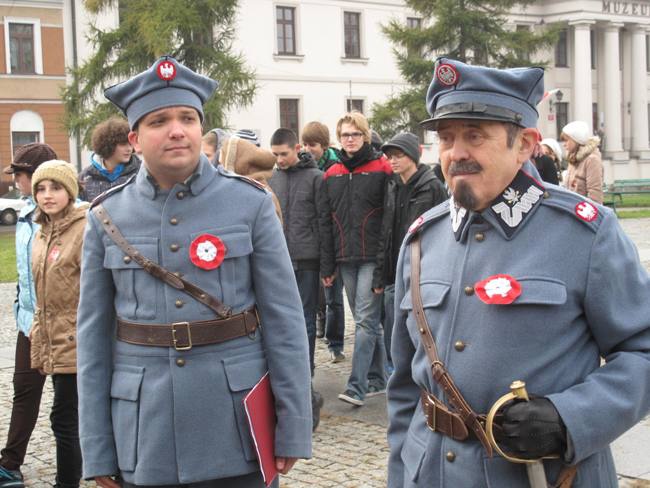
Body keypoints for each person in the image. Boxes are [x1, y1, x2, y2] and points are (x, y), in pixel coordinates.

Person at [387, 57, 650, 487]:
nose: (457, 153)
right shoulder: (421, 238)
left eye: (475, 136)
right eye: (447, 137)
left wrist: (570, 418)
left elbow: (643, 350)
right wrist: (400, 475)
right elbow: (404, 385)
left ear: (525, 144)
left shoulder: (586, 234)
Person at [76, 56, 312, 488]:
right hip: (145, 435)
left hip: (236, 427)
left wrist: (293, 425)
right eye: (159, 120)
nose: (177, 129)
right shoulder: (106, 216)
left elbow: (285, 321)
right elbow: (92, 340)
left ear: (201, 128)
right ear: (135, 138)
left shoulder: (250, 204)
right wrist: (97, 448)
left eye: (187, 117)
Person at [322, 112, 392, 406]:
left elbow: (389, 219)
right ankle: (379, 378)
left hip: (372, 257)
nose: (349, 140)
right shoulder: (332, 173)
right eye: (345, 135)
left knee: (363, 321)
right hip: (344, 257)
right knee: (369, 321)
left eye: (355, 134)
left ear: (365, 135)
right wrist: (328, 265)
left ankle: (357, 386)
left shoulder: (382, 168)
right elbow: (326, 221)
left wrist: (383, 265)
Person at [268, 128, 334, 431]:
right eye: (275, 155)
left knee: (306, 322)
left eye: (284, 154)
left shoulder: (315, 178)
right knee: (282, 320)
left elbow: (324, 221)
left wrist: (326, 265)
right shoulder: (273, 177)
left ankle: (304, 381)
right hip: (279, 260)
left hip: (307, 259)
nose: (280, 160)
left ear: (296, 148)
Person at [0, 143, 57, 488]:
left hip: (64, 326)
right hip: (28, 324)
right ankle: (10, 464)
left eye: (19, 174)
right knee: (24, 390)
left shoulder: (73, 216)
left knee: (71, 403)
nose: (16, 181)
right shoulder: (23, 214)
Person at [30, 160, 88, 488]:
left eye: (55, 187)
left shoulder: (84, 228)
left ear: (70, 191)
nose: (47, 195)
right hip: (55, 340)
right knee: (67, 418)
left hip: (77, 338)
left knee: (64, 418)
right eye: (41, 188)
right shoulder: (41, 231)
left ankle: (67, 483)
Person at [379, 132, 446, 373]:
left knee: (419, 326)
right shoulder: (393, 186)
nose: (393, 161)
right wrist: (381, 272)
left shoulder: (432, 186)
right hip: (394, 269)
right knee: (393, 326)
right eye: (390, 157)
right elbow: (386, 230)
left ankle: (421, 372)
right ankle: (394, 373)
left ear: (413, 156)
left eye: (398, 155)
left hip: (422, 268)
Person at [301, 121, 345, 361]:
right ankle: (324, 328)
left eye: (313, 145)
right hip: (312, 242)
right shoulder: (302, 167)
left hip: (335, 240)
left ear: (325, 145)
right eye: (305, 144)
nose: (308, 149)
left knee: (334, 299)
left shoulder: (335, 167)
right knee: (320, 298)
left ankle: (336, 344)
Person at [78, 116, 140, 202]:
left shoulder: (141, 173)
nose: (129, 149)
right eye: (123, 144)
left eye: (130, 144)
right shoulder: (85, 177)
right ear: (108, 145)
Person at [561, 120, 604, 204]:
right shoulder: (573, 159)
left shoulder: (591, 160)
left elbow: (595, 193)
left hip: (583, 212)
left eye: (566, 140)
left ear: (576, 140)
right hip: (571, 210)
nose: (564, 144)